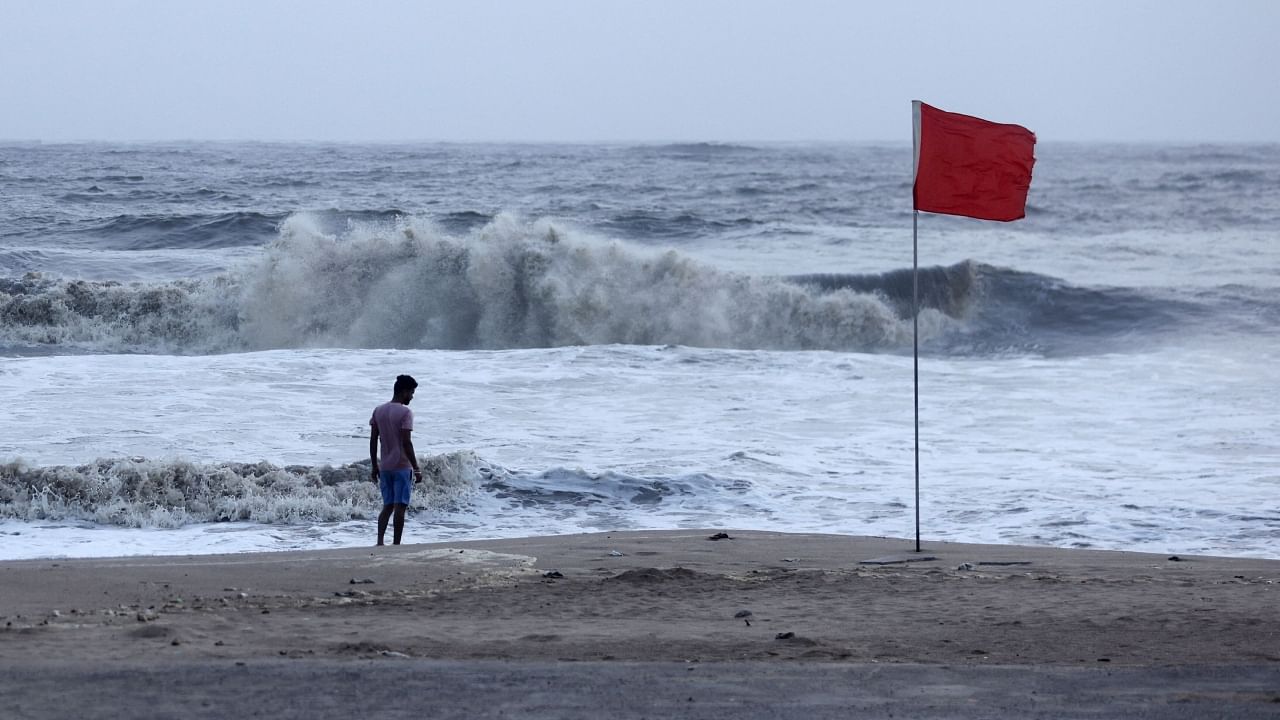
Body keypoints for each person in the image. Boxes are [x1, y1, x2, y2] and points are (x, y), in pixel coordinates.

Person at [369, 374, 423, 545]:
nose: (412, 397)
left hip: (385, 466)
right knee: (400, 507)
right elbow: (406, 442)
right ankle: (396, 544)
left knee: (387, 506)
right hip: (401, 465)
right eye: (412, 393)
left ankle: (379, 542)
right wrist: (416, 468)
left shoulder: (379, 411)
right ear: (404, 392)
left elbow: (373, 440)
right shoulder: (405, 412)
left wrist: (374, 465)